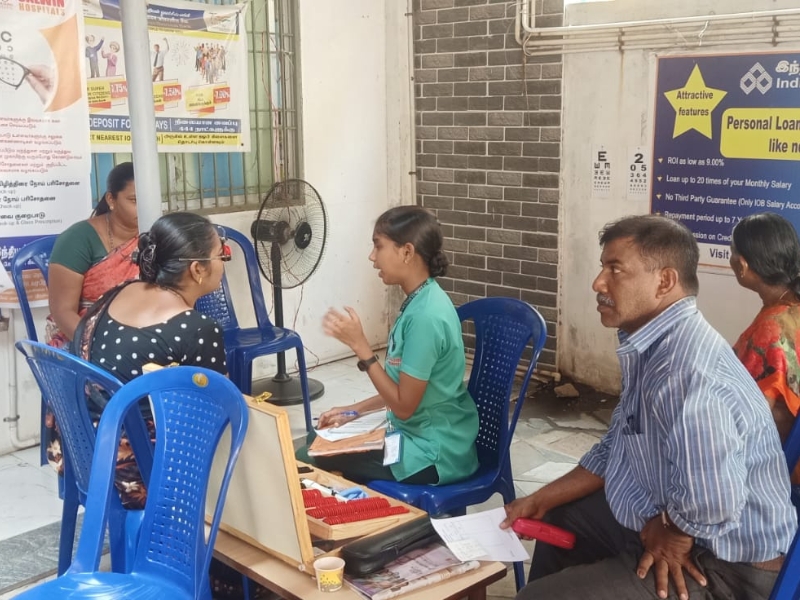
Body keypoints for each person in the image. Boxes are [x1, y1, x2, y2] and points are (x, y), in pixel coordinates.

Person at [502, 215, 797, 600]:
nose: (598, 283)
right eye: (602, 266)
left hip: (728, 563)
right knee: (564, 517)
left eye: (615, 269)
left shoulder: (686, 372)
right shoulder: (652, 344)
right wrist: (540, 498)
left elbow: (714, 502)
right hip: (683, 520)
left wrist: (672, 532)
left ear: (664, 281)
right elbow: (618, 446)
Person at [299, 206, 479, 486]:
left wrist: (363, 349)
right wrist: (353, 411)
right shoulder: (420, 300)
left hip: (432, 452)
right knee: (320, 435)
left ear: (407, 252)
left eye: (378, 246)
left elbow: (404, 407)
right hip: (415, 436)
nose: (372, 257)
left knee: (307, 455)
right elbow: (403, 388)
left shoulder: (425, 317)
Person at [69, 211, 230, 508]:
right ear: (197, 269)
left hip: (79, 449)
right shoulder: (196, 329)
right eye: (221, 255)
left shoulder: (118, 293)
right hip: (133, 472)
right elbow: (215, 417)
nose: (223, 264)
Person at [731, 212, 800, 482]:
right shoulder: (788, 311)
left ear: (742, 265)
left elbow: (744, 417)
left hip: (780, 466)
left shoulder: (771, 330)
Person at [47, 162, 139, 350]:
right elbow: (62, 311)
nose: (145, 207)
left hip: (141, 335)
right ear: (111, 200)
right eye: (135, 201)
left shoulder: (158, 234)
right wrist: (99, 348)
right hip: (84, 336)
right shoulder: (78, 239)